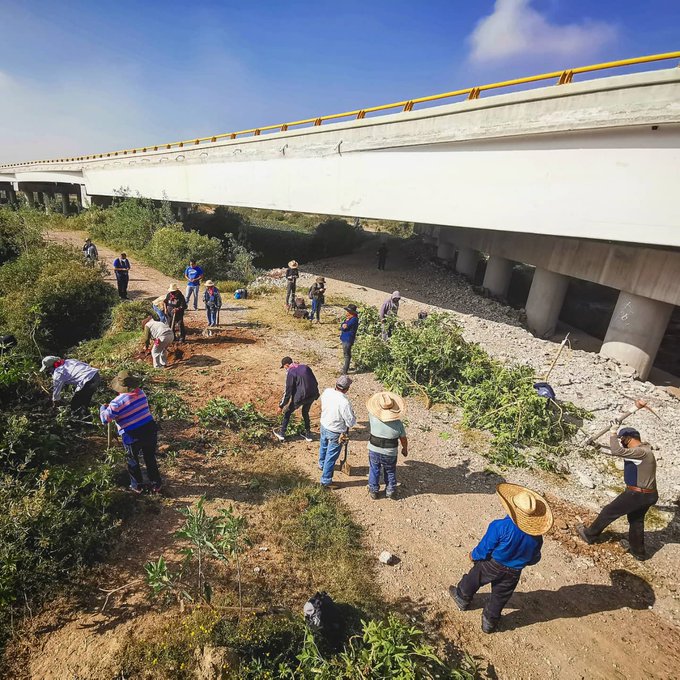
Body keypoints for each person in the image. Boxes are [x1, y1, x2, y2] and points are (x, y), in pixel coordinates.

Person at [450, 483, 552, 633]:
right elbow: (534, 558)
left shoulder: (500, 526)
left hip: (491, 563)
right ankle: (489, 622)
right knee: (500, 597)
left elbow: (486, 547)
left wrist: (474, 555)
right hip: (513, 572)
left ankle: (462, 597)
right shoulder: (537, 538)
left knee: (473, 579)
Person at [576, 421, 658, 560]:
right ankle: (639, 552)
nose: (621, 442)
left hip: (637, 494)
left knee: (609, 511)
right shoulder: (641, 451)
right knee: (636, 520)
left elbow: (616, 451)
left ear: (629, 438)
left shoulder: (641, 451)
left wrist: (613, 432)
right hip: (648, 495)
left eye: (622, 439)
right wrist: (598, 446)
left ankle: (589, 535)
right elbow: (618, 453)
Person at [100, 371, 162, 493]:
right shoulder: (141, 393)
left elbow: (105, 419)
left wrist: (103, 408)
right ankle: (156, 483)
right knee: (150, 457)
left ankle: (137, 485)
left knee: (132, 459)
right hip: (149, 430)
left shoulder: (116, 403)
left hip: (131, 435)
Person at [366, 391, 408, 500]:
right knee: (390, 470)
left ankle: (374, 490)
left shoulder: (372, 417)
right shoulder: (398, 424)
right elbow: (403, 438)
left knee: (374, 469)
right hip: (390, 452)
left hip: (374, 449)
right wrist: (405, 449)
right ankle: (390, 490)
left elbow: (371, 409)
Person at [318, 375, 357, 489]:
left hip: (324, 425)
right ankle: (326, 480)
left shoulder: (327, 392)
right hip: (336, 431)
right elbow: (350, 422)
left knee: (323, 447)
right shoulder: (344, 402)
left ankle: (321, 464)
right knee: (331, 455)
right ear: (347, 389)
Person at [274, 356, 319, 442]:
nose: (285, 369)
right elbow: (315, 381)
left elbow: (288, 392)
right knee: (305, 412)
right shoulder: (305, 367)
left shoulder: (291, 373)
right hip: (313, 394)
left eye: (284, 367)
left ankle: (282, 433)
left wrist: (281, 405)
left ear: (286, 365)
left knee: (287, 412)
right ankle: (308, 434)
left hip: (301, 397)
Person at [339, 304, 359, 375]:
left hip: (348, 339)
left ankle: (345, 371)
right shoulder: (349, 318)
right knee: (346, 354)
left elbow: (344, 327)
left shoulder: (353, 319)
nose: (346, 312)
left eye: (348, 311)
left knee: (347, 355)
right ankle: (346, 367)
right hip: (346, 339)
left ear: (351, 312)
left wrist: (343, 326)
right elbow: (342, 325)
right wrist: (343, 325)